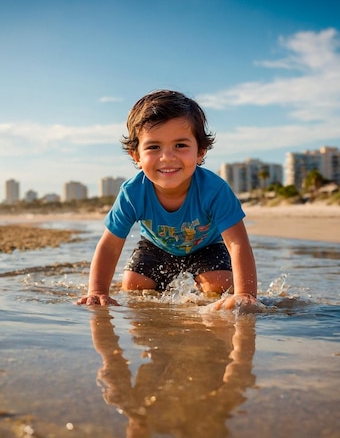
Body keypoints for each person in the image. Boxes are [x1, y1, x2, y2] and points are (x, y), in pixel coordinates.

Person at [76, 89, 259, 312]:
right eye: (154, 147)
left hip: (206, 245)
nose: (167, 157)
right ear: (137, 156)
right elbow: (110, 245)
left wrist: (245, 294)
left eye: (180, 145)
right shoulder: (133, 193)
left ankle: (201, 284)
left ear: (200, 151)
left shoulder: (215, 190)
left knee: (220, 287)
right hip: (156, 246)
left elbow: (237, 243)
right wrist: (97, 291)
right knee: (134, 288)